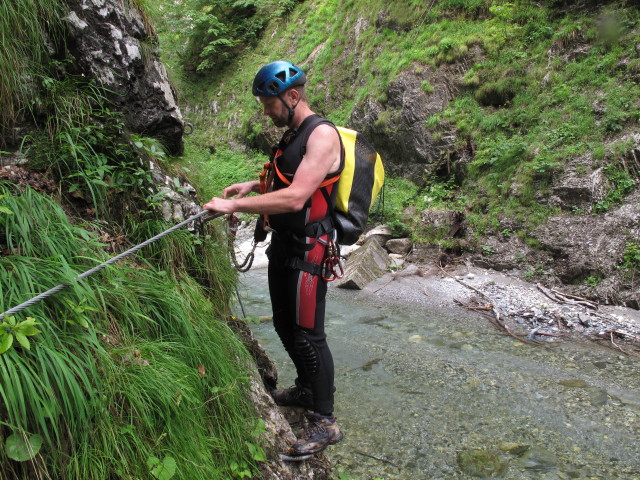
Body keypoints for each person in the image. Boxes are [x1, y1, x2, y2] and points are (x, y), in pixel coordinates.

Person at [203, 60, 344, 457]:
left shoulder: (322, 136)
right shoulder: (294, 135)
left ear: (292, 96)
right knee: (284, 325)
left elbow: (297, 196)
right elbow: (288, 178)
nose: (266, 111)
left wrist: (236, 207)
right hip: (284, 243)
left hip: (310, 249)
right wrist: (252, 184)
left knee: (309, 334)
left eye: (269, 103)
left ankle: (325, 421)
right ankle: (305, 387)